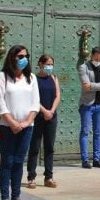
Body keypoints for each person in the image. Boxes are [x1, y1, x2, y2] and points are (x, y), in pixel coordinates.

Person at [0, 44, 39, 200]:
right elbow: (0, 102)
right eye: (20, 56)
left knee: (19, 161)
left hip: (27, 127)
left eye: (26, 56)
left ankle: (16, 197)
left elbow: (35, 103)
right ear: (12, 57)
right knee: (7, 161)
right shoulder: (2, 77)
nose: (24, 59)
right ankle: (5, 198)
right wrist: (12, 122)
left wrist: (27, 122)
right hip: (7, 127)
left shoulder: (31, 78)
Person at [27, 54, 60, 189]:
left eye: (51, 64)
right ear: (40, 64)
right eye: (47, 64)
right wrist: (44, 111)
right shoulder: (33, 78)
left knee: (49, 147)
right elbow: (33, 98)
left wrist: (51, 111)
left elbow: (57, 95)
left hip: (51, 116)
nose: (49, 67)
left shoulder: (54, 78)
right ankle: (31, 177)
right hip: (38, 116)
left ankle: (49, 177)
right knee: (34, 147)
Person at [79, 46, 100, 169]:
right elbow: (84, 83)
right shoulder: (83, 67)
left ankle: (97, 159)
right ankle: (85, 160)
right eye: (96, 55)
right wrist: (98, 85)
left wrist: (91, 86)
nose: (98, 58)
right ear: (92, 55)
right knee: (85, 131)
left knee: (98, 132)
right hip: (87, 104)